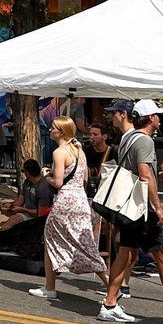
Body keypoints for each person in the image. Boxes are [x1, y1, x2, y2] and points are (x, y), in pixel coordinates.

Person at [101, 99, 163, 324]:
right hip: (143, 209)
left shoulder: (128, 137)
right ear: (151, 118)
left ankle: (109, 303)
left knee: (126, 254)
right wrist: (158, 207)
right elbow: (145, 175)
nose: (160, 119)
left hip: (130, 207)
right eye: (158, 115)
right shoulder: (144, 141)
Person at [33, 117, 109, 301]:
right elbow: (84, 180)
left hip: (65, 202)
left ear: (61, 132)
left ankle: (49, 288)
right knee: (86, 244)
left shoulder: (59, 152)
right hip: (81, 201)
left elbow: (58, 183)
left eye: (53, 128)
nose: (50, 130)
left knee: (50, 239)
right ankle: (111, 285)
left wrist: (46, 175)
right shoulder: (79, 151)